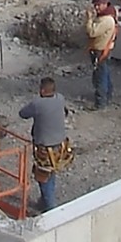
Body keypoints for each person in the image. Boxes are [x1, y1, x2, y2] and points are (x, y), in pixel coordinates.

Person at [18, 77, 72, 213]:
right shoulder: (60, 98)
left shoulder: (38, 104)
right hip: (60, 146)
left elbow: (23, 114)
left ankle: (50, 208)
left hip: (45, 148)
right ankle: (44, 201)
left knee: (43, 175)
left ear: (42, 90)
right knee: (51, 172)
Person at [84, 0, 117, 109]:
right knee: (105, 74)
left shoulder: (106, 20)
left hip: (100, 51)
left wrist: (89, 20)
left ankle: (100, 102)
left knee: (100, 77)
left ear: (105, 4)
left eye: (99, 5)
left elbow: (92, 32)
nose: (96, 7)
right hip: (103, 50)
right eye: (95, 5)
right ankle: (107, 95)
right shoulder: (106, 16)